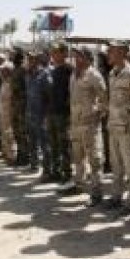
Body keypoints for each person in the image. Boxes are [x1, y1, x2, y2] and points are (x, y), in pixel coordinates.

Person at [60, 47, 107, 205]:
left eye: (79, 56)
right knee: (78, 158)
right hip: (76, 124)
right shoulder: (74, 75)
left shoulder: (94, 75)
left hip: (90, 126)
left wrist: (95, 116)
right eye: (74, 57)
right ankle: (78, 184)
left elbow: (104, 100)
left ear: (87, 58)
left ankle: (96, 193)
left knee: (95, 160)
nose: (76, 60)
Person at [105, 40, 130, 213]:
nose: (108, 53)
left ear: (122, 53)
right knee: (116, 165)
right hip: (113, 125)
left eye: (111, 50)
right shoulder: (112, 73)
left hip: (127, 128)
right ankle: (116, 196)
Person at [26, 52, 53, 181]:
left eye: (32, 59)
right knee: (32, 141)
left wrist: (47, 116)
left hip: (41, 115)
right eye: (29, 59)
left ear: (37, 61)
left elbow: (50, 97)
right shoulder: (30, 75)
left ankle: (47, 171)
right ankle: (34, 164)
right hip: (32, 114)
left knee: (45, 145)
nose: (29, 61)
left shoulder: (44, 75)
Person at [48, 43, 73, 183]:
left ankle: (67, 173)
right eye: (53, 52)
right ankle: (55, 171)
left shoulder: (69, 70)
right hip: (52, 112)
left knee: (64, 146)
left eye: (56, 52)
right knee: (54, 144)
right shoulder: (53, 70)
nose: (53, 54)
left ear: (64, 53)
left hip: (63, 114)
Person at [11, 49, 30, 166]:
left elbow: (26, 89)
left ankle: (25, 157)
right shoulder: (15, 70)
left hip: (22, 106)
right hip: (16, 105)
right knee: (16, 131)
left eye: (13, 56)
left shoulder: (23, 71)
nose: (12, 58)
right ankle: (20, 155)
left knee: (23, 132)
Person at [0, 61, 16, 164]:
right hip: (2, 112)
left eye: (3, 70)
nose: (1, 72)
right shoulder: (3, 83)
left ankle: (11, 156)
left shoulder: (11, 84)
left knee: (9, 135)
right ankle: (5, 152)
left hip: (9, 113)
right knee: (3, 133)